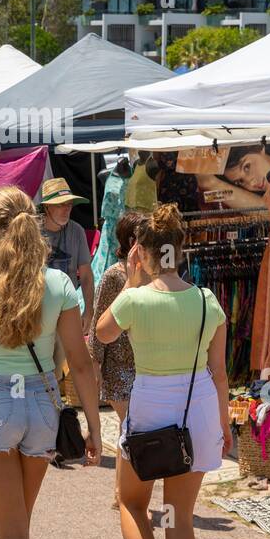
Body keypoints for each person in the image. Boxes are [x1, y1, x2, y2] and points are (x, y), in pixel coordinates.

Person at [0, 186, 102, 539]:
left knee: (13, 535)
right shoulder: (59, 284)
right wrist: (94, 427)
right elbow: (80, 364)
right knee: (17, 530)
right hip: (41, 404)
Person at [95, 203, 230, 539]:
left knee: (132, 503)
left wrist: (130, 281)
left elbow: (102, 333)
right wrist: (224, 422)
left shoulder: (135, 299)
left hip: (150, 406)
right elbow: (220, 373)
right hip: (198, 407)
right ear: (180, 249)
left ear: (141, 251)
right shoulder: (208, 301)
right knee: (178, 518)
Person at [90, 210, 147, 507]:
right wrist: (95, 367)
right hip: (119, 367)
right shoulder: (115, 276)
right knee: (131, 428)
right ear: (131, 241)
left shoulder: (153, 276)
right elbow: (98, 323)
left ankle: (123, 494)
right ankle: (124, 495)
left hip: (143, 366)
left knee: (132, 430)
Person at [38, 178, 94, 336]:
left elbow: (86, 276)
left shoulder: (77, 231)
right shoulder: (32, 232)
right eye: (60, 204)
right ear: (47, 207)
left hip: (67, 307)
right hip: (37, 308)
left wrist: (89, 311)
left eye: (69, 204)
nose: (66, 209)